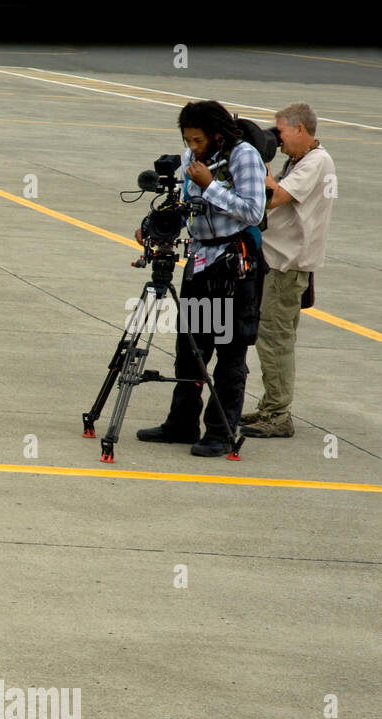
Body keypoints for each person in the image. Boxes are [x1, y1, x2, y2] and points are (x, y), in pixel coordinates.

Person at [136, 100, 268, 456]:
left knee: (229, 351)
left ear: (216, 134)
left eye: (197, 140)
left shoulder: (244, 157)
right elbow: (186, 205)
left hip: (234, 263)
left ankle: (220, 432)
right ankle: (181, 422)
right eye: (187, 140)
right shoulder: (191, 158)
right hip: (199, 258)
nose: (191, 147)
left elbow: (254, 211)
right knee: (191, 348)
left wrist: (211, 185)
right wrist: (156, 225)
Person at [241, 103, 336, 439]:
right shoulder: (299, 159)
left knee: (274, 339)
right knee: (271, 337)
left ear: (300, 129)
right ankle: (271, 406)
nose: (276, 138)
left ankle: (278, 414)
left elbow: (272, 196)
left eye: (279, 131)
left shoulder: (316, 161)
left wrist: (259, 159)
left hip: (286, 266)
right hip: (278, 262)